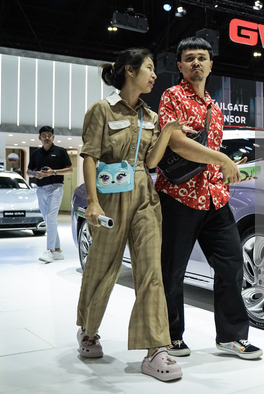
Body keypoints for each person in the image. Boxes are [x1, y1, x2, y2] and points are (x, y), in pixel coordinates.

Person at [76, 48, 186, 382]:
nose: (154, 75)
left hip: (144, 195)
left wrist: (166, 133)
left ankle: (155, 349)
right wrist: (92, 202)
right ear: (129, 71)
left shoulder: (151, 117)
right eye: (149, 69)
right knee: (102, 265)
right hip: (110, 197)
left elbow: (151, 163)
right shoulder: (102, 110)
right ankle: (88, 331)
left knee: (152, 270)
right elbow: (90, 156)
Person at [155, 37, 262, 360]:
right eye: (189, 58)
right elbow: (175, 143)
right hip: (178, 197)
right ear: (180, 66)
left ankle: (231, 337)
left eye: (202, 58)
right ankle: (171, 336)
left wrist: (234, 168)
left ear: (211, 64)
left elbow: (208, 155)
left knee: (231, 266)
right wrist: (222, 159)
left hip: (215, 198)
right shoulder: (172, 97)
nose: (196, 63)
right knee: (172, 271)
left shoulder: (214, 108)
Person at [27, 126, 72, 263]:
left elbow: (69, 170)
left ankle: (49, 251)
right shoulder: (36, 153)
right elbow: (29, 171)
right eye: (44, 135)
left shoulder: (60, 151)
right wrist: (35, 174)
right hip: (41, 189)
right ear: (39, 137)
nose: (47, 137)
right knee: (48, 220)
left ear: (53, 137)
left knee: (51, 217)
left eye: (49, 135)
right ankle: (58, 250)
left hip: (55, 188)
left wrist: (53, 172)